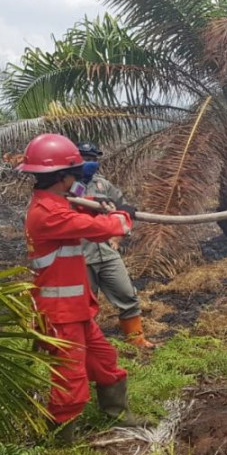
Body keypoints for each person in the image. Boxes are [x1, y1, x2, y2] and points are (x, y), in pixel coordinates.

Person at [19, 134, 146, 442]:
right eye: (74, 173)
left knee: (104, 362)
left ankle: (118, 415)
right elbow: (109, 228)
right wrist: (121, 213)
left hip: (76, 310)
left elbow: (81, 211)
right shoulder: (49, 214)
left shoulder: (56, 201)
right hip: (60, 316)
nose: (79, 179)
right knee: (70, 381)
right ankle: (64, 444)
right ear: (62, 178)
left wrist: (99, 206)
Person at [76, 141, 156, 349]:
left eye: (93, 159)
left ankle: (136, 339)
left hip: (106, 252)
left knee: (127, 294)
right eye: (85, 158)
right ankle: (85, 346)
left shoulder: (103, 184)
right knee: (83, 304)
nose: (89, 163)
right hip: (80, 255)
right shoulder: (66, 186)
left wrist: (117, 237)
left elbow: (122, 208)